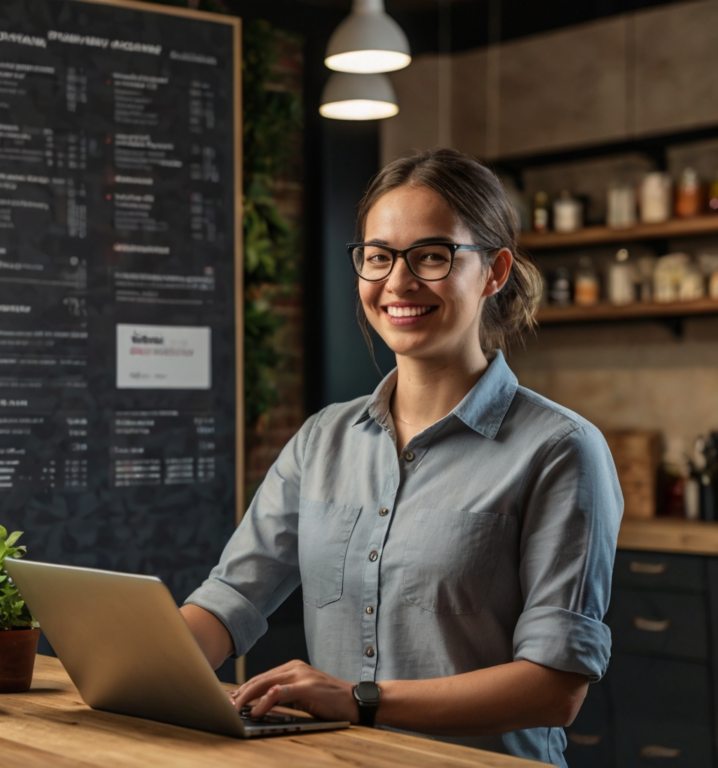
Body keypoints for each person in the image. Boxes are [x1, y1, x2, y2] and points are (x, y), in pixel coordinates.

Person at [181, 149, 623, 766]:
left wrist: (360, 699)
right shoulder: (321, 440)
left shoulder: (561, 450)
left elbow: (553, 688)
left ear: (494, 272)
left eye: (432, 256)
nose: (398, 282)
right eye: (378, 256)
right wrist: (139, 666)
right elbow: (231, 599)